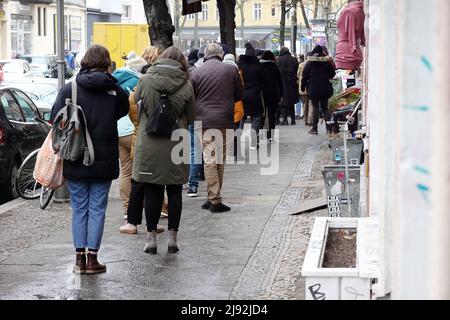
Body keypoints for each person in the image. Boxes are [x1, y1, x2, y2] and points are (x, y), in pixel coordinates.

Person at [51, 45, 129, 274]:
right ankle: (93, 259)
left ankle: (79, 260)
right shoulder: (114, 89)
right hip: (103, 160)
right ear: (107, 64)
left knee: (79, 209)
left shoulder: (71, 88)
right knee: (97, 209)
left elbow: (56, 117)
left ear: (84, 61)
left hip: (75, 156)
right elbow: (122, 111)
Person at [133, 46, 195, 254]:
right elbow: (192, 115)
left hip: (149, 142)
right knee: (175, 190)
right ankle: (172, 239)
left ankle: (151, 239)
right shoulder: (186, 84)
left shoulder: (145, 79)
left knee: (152, 190)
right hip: (177, 142)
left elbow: (135, 101)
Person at [191, 43, 243, 213]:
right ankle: (214, 198)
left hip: (204, 121)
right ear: (221, 54)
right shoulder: (230, 70)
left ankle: (213, 198)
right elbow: (239, 95)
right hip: (225, 120)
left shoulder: (196, 72)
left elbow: (192, 96)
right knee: (219, 160)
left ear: (205, 55)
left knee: (210, 159)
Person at [120, 46, 166, 235]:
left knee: (129, 172)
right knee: (150, 178)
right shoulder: (146, 83)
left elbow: (131, 108)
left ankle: (129, 215)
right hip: (139, 134)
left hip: (122, 129)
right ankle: (153, 221)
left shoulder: (122, 78)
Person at [112, 56, 147, 222]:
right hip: (132, 130)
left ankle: (127, 209)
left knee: (125, 170)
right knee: (145, 169)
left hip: (117, 129)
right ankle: (156, 206)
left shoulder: (115, 78)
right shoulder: (136, 82)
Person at [301, 45, 336, 135]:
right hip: (325, 88)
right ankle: (329, 129)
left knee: (315, 108)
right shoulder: (326, 62)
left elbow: (304, 76)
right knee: (325, 108)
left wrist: (303, 86)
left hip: (313, 89)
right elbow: (332, 74)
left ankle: (314, 128)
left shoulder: (309, 63)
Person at [238, 43, 264, 150]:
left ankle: (237, 141)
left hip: (241, 95)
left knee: (240, 118)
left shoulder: (239, 65)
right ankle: (254, 142)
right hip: (255, 95)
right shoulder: (258, 66)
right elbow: (263, 82)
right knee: (256, 118)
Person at [186, 48, 204, 197]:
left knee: (179, 148)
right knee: (194, 149)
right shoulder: (199, 73)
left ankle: (178, 182)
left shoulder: (182, 73)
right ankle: (193, 185)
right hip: (196, 114)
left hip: (181, 115)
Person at [223, 53, 245, 158]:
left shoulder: (219, 72)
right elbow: (240, 90)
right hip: (235, 105)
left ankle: (226, 151)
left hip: (222, 106)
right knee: (236, 130)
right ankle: (236, 152)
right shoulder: (237, 72)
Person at [260, 50, 283, 143]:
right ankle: (271, 136)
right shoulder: (275, 67)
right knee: (271, 115)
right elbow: (280, 83)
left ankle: (259, 133)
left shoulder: (259, 67)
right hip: (273, 93)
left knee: (261, 114)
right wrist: (281, 95)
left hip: (261, 94)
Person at [277, 47, 299, 125]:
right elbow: (297, 70)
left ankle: (285, 119)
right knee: (291, 101)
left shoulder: (278, 60)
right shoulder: (294, 59)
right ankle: (293, 120)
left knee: (283, 101)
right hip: (292, 82)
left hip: (282, 82)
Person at [298, 52, 314, 126]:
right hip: (311, 86)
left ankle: (305, 120)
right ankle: (310, 120)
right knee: (311, 104)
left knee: (304, 104)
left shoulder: (301, 65)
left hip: (303, 87)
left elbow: (298, 75)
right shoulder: (312, 64)